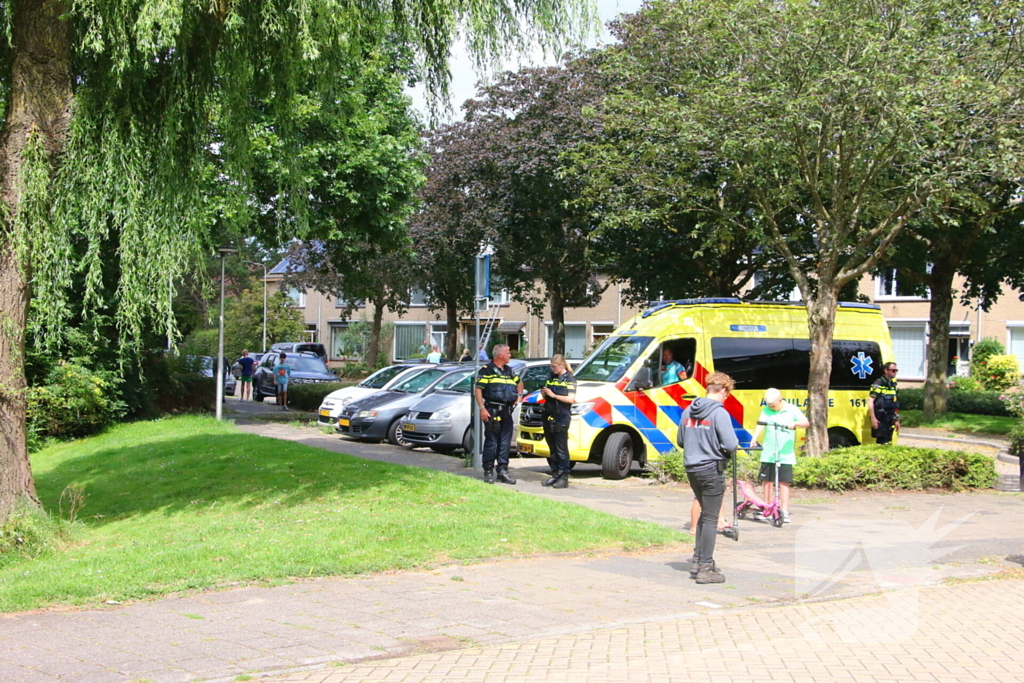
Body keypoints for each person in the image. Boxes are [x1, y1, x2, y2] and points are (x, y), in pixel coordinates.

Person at [677, 372, 739, 584]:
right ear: (723, 391)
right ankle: (705, 567)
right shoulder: (719, 413)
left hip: (692, 468)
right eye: (727, 395)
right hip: (712, 468)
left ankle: (697, 560)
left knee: (705, 514)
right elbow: (731, 444)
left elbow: (681, 440)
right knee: (712, 518)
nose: (726, 398)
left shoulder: (688, 410)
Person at [750, 388, 809, 524]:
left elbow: (805, 423)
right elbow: (761, 423)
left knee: (783, 481)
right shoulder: (766, 410)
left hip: (785, 452)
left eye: (773, 404)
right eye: (769, 405)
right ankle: (767, 508)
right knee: (767, 481)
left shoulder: (791, 409)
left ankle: (784, 510)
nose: (771, 407)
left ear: (780, 400)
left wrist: (794, 423)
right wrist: (755, 437)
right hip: (769, 452)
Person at [475, 344, 524, 485]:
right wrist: (482, 408)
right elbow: (478, 390)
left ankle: (502, 471)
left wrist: (519, 395)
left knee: (505, 442)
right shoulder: (486, 370)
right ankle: (488, 471)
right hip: (492, 410)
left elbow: (520, 383)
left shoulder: (509, 371)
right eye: (508, 353)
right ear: (500, 355)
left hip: (506, 411)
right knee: (491, 442)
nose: (510, 355)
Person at [541, 354, 577, 489]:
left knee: (561, 448)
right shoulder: (551, 377)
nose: (552, 369)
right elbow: (545, 393)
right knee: (553, 448)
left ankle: (564, 476)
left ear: (561, 365)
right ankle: (555, 474)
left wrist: (554, 395)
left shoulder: (570, 378)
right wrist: (544, 392)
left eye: (554, 366)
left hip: (561, 416)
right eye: (551, 366)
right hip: (549, 414)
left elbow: (570, 399)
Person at [869, 362, 900, 444]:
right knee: (882, 442)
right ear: (886, 370)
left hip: (890, 418)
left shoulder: (892, 385)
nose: (895, 372)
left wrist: (896, 419)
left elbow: (895, 403)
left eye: (896, 370)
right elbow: (870, 400)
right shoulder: (879, 384)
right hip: (881, 418)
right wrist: (873, 418)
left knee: (888, 441)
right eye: (893, 370)